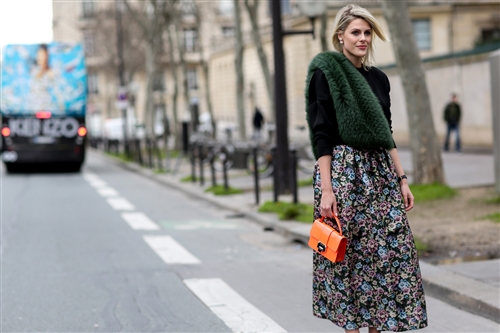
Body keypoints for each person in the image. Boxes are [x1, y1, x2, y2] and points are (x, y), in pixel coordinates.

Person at [305, 4, 427, 332]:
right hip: (343, 173)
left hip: (380, 174)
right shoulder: (326, 73)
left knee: (388, 256)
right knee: (349, 258)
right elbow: (322, 135)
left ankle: (377, 328)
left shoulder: (379, 79)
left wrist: (402, 178)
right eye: (355, 32)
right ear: (340, 36)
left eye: (367, 32)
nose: (362, 38)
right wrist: (327, 190)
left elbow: (386, 133)